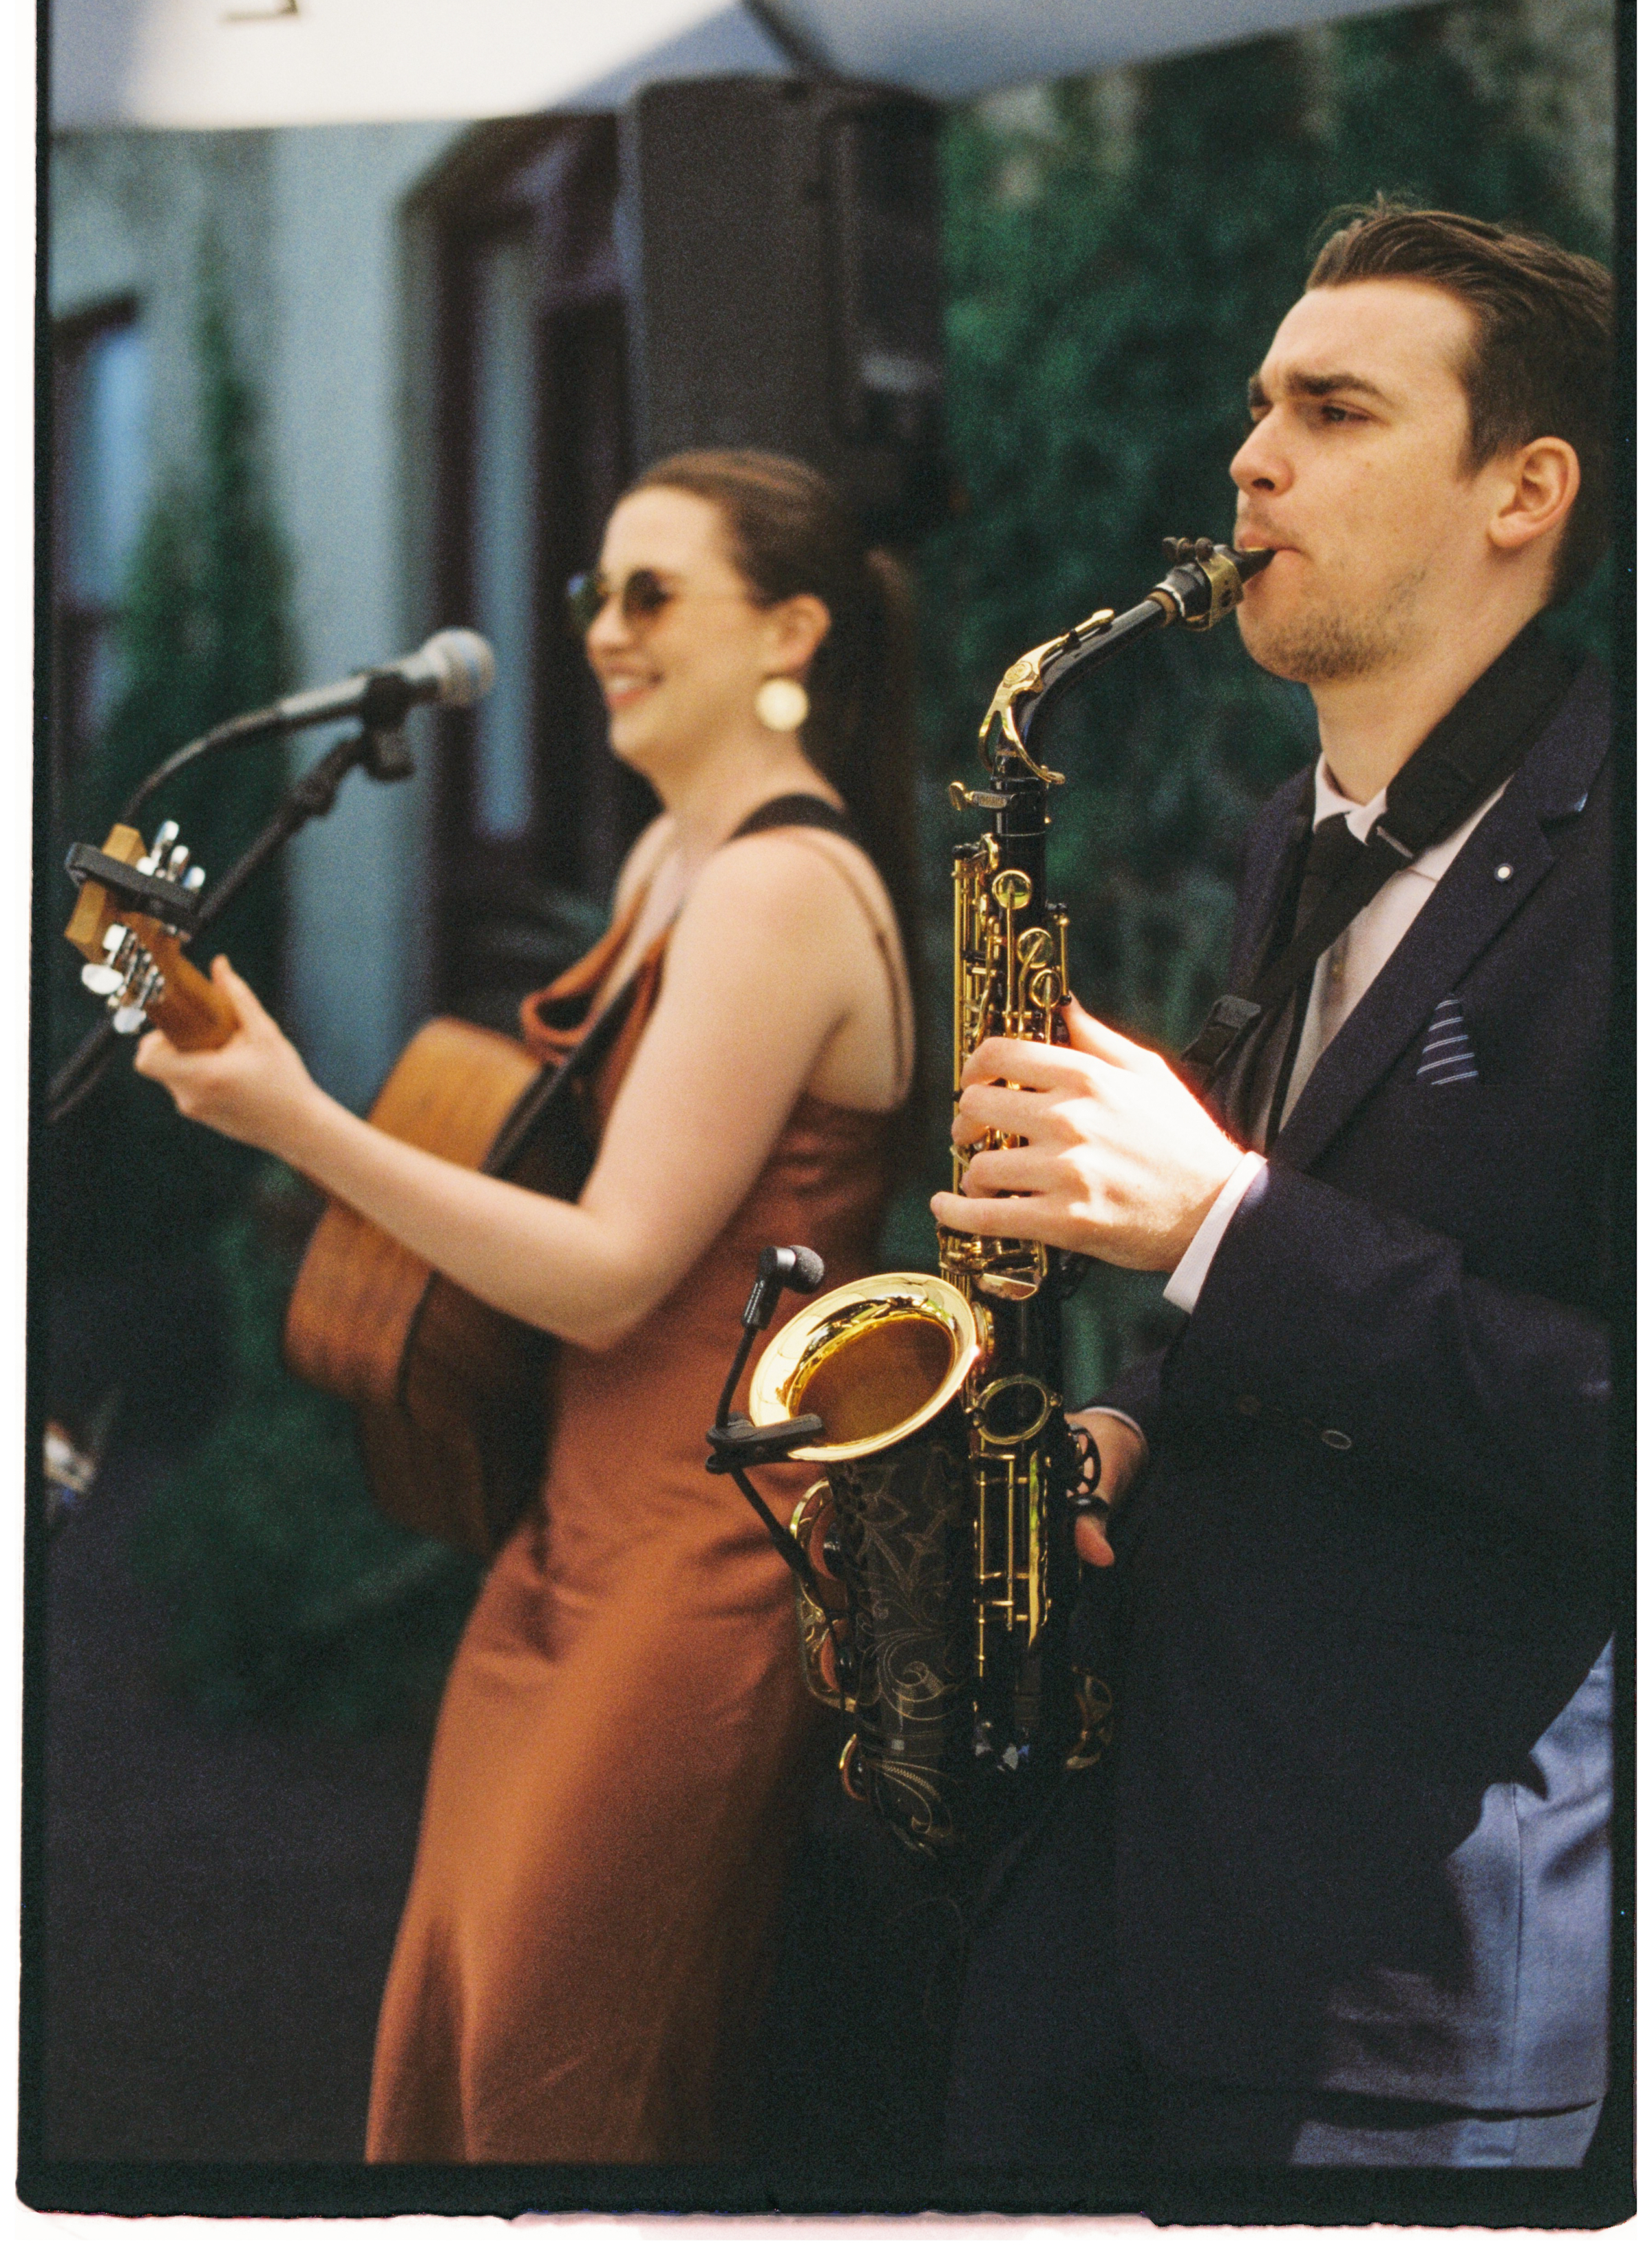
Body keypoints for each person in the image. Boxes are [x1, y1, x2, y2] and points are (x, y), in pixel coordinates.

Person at [134, 448, 919, 2163]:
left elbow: (619, 1267)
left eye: (654, 596)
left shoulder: (781, 888)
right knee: (467, 2034)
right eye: (593, 596)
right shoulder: (675, 865)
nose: (605, 632)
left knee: (571, 2077)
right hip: (576, 1520)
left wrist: (299, 1122)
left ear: (792, 627)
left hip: (707, 1549)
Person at [934, 207, 1616, 2171]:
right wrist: (1134, 1404)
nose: (1250, 457)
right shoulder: (1282, 838)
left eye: (1331, 408)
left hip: (1402, 1973)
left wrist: (1220, 1223)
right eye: (1257, 406)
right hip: (1138, 1882)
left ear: (1523, 490)